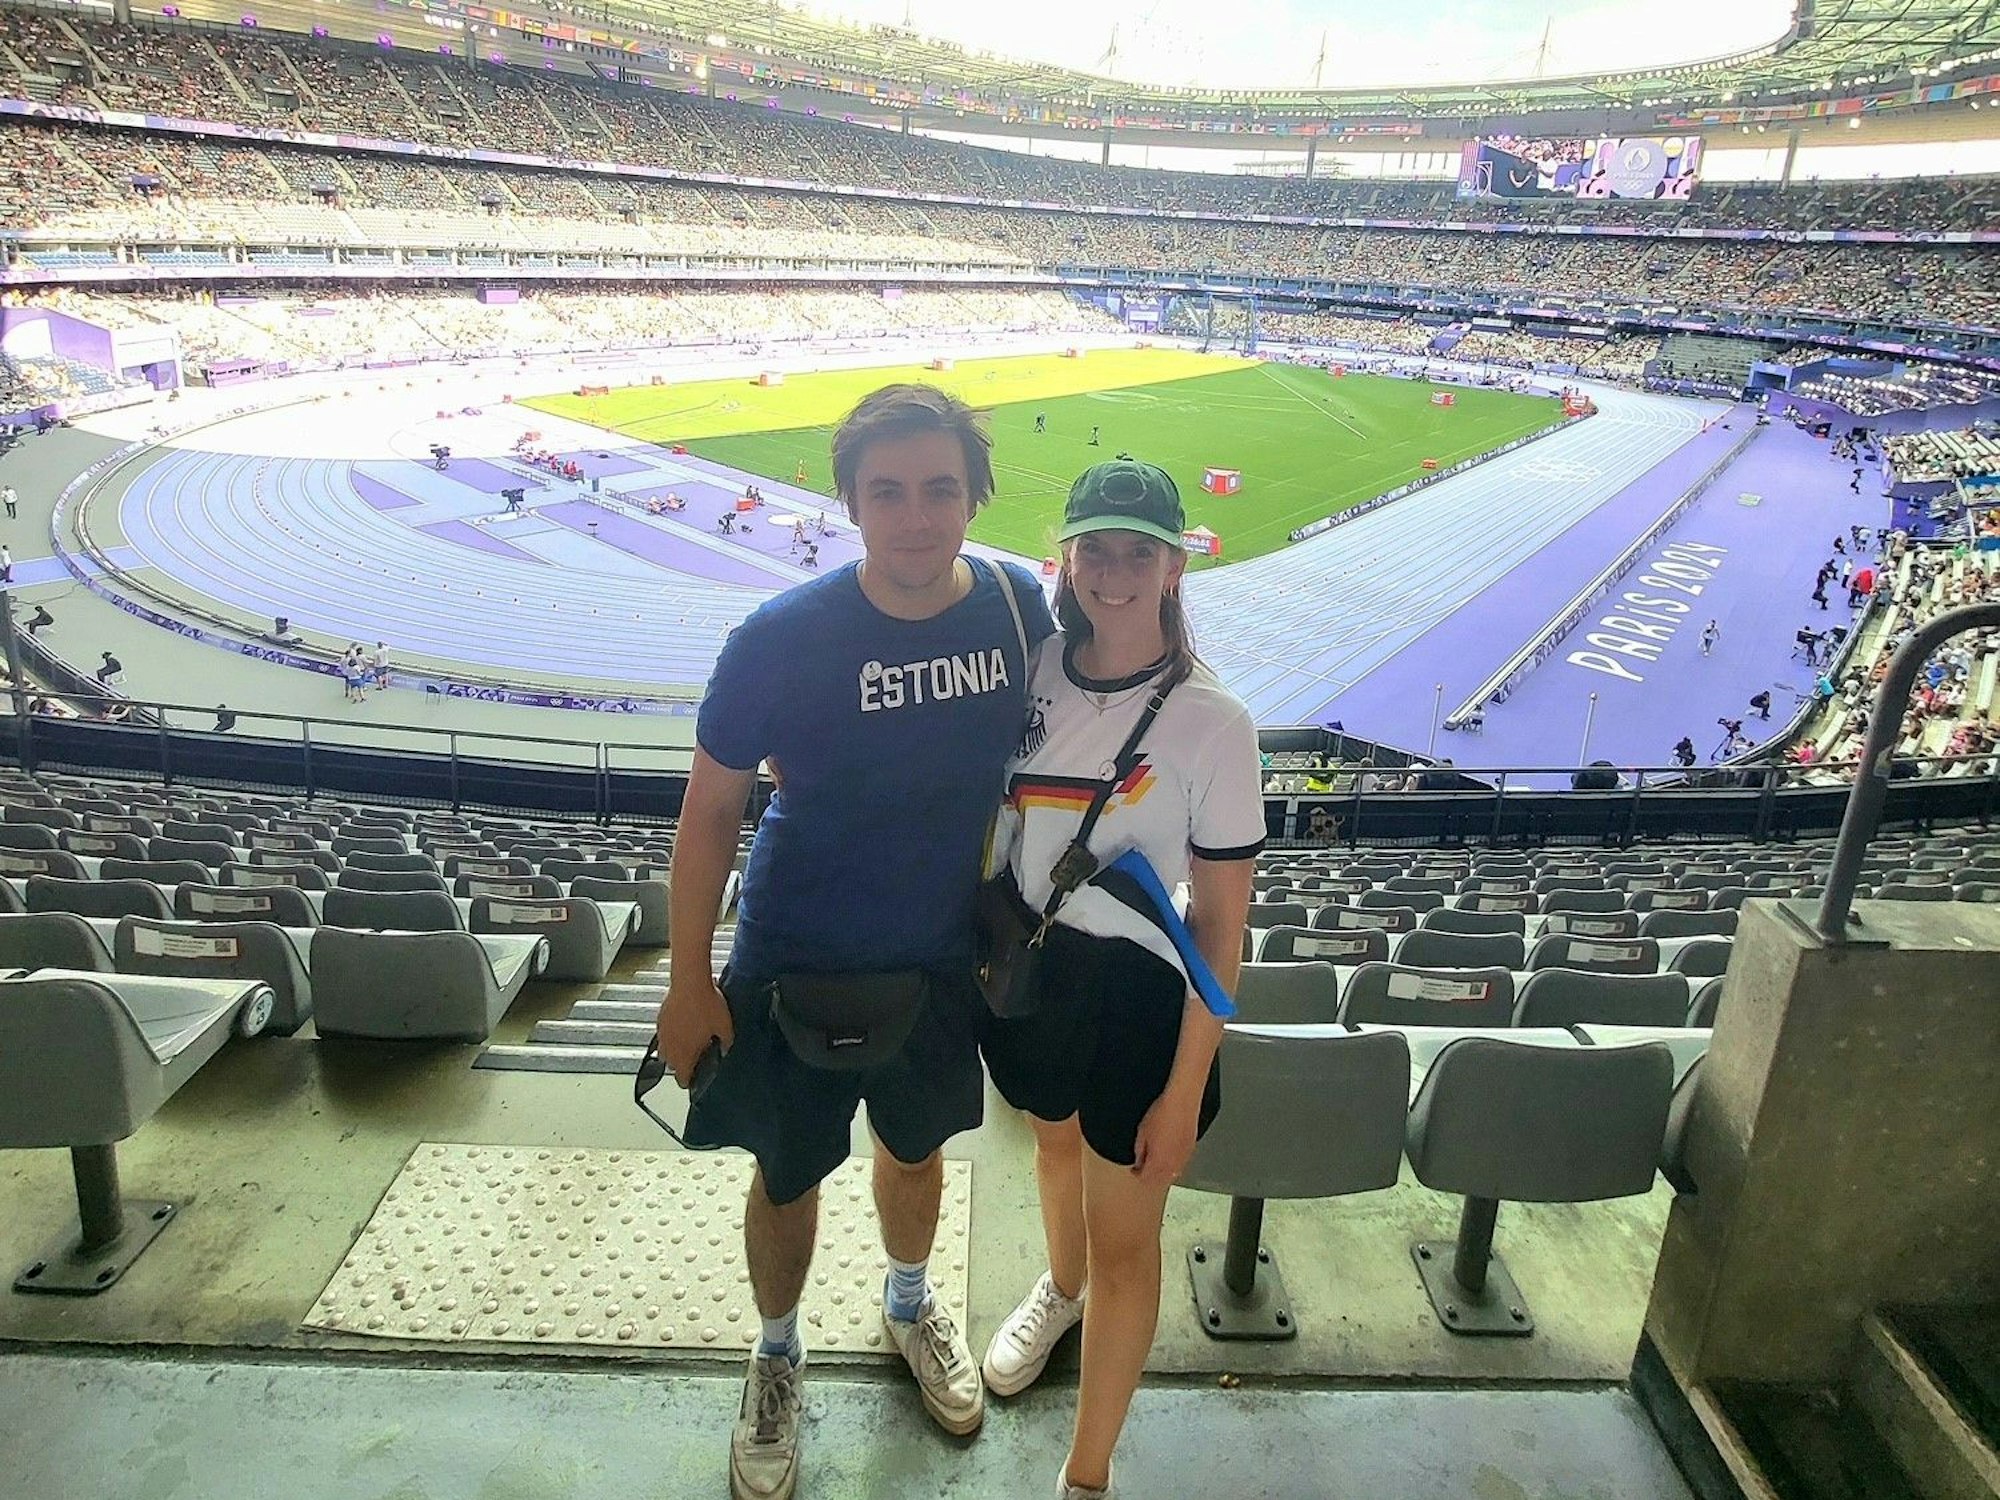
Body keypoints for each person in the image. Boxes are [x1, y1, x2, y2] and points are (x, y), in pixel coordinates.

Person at [651, 384, 1056, 1500]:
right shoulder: (779, 639)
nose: (914, 517)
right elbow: (708, 812)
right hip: (792, 952)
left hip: (937, 958)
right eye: (887, 492)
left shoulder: (1019, 609)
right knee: (785, 1174)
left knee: (917, 1152)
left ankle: (908, 1304)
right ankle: (776, 1354)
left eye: (938, 490)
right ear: (849, 504)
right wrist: (689, 983)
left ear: (973, 496)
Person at [979, 459, 1260, 1500]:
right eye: (1092, 549)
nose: (1110, 572)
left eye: (1135, 552)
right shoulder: (1036, 671)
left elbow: (1222, 928)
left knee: (1129, 1245)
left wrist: (1186, 1088)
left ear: (1171, 567)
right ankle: (1058, 1290)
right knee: (1050, 1142)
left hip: (1138, 1007)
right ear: (1064, 557)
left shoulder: (1212, 723)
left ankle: (1085, 1476)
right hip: (1033, 975)